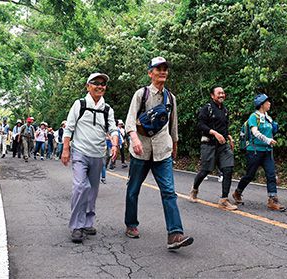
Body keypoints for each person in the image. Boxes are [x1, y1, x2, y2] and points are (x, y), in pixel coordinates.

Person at [124, 57, 193, 250]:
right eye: (158, 69)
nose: (162, 72)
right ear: (150, 73)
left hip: (163, 151)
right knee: (133, 189)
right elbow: (130, 120)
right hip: (141, 149)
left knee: (169, 192)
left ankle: (175, 234)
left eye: (165, 69)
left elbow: (174, 125)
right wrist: (134, 139)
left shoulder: (171, 98)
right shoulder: (141, 94)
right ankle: (131, 224)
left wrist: (175, 147)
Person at [62, 73, 118, 244]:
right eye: (96, 83)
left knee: (93, 190)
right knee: (80, 186)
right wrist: (65, 149)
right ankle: (77, 226)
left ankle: (88, 222)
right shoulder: (80, 104)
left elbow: (113, 129)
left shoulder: (107, 109)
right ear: (88, 86)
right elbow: (69, 128)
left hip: (98, 154)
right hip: (80, 152)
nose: (100, 86)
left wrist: (115, 145)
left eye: (103, 84)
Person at [232, 94, 286, 211]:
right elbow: (255, 132)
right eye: (268, 102)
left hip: (267, 151)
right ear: (262, 104)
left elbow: (272, 131)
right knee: (250, 175)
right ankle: (237, 192)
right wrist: (268, 140)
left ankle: (273, 200)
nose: (270, 104)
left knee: (271, 175)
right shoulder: (253, 116)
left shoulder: (268, 118)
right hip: (255, 151)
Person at [189, 86, 237, 210]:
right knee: (205, 170)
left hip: (222, 145)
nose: (222, 95)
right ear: (212, 95)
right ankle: (194, 189)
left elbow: (224, 127)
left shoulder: (225, 110)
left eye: (223, 93)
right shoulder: (207, 109)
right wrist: (214, 133)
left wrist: (229, 137)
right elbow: (200, 125)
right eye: (219, 93)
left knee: (228, 169)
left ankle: (224, 200)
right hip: (209, 144)